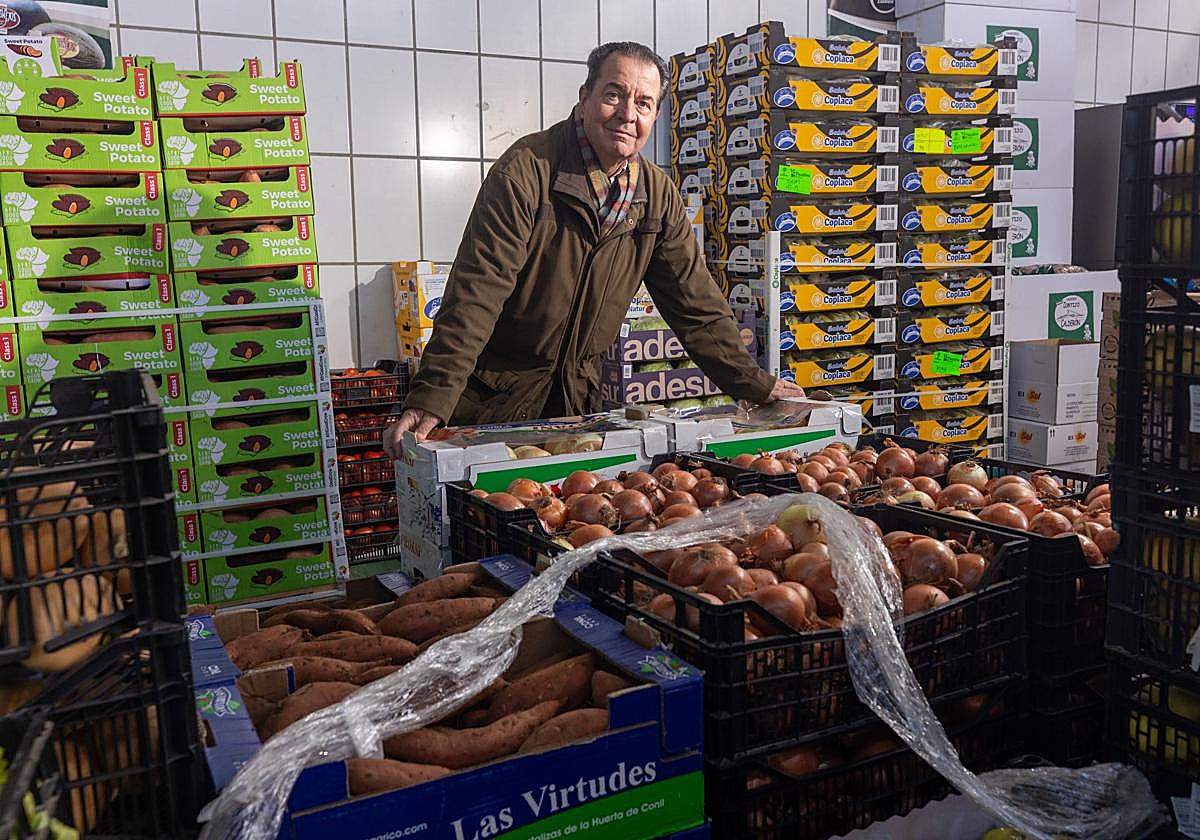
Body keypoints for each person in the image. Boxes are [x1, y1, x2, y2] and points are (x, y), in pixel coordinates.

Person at [383, 41, 805, 458]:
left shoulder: (655, 196)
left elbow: (697, 307)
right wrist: (432, 397)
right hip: (494, 402)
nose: (627, 114)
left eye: (644, 103)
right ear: (585, 98)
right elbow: (477, 292)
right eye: (614, 95)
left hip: (577, 405)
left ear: (654, 116)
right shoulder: (528, 171)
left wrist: (757, 385)